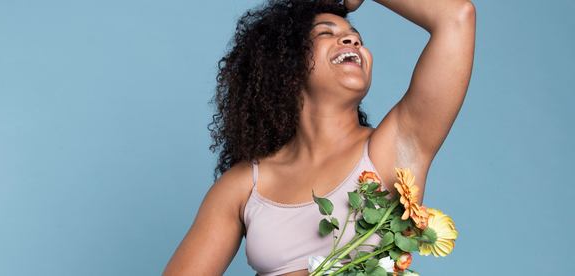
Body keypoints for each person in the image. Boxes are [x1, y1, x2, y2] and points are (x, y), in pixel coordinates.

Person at [163, 0, 475, 275]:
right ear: (286, 61)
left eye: (356, 37)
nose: (351, 39)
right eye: (327, 33)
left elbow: (457, 17)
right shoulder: (243, 185)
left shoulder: (392, 148)